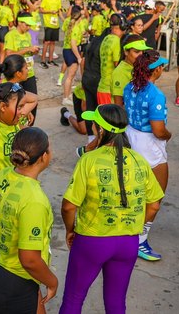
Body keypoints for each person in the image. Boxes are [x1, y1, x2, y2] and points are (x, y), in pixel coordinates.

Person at [60, 104, 162, 313]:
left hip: (92, 240)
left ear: (102, 130)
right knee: (116, 303)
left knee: (73, 299)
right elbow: (154, 204)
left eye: (95, 124)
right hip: (128, 242)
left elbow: (69, 206)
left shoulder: (89, 160)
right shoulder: (140, 161)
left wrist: (70, 229)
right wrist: (136, 226)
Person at [0, 127, 56, 314]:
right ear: (44, 156)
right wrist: (52, 282)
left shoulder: (2, 175)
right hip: (13, 284)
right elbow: (29, 260)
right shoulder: (34, 200)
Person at [122, 50, 171, 262]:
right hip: (149, 145)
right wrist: (169, 135)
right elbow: (159, 130)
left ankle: (127, 231)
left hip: (130, 138)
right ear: (156, 70)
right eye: (161, 66)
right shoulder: (155, 95)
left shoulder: (129, 87)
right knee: (155, 197)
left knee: (133, 190)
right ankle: (140, 240)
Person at [4, 13, 40, 122]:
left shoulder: (28, 35)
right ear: (20, 22)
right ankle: (16, 124)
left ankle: (28, 127)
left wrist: (34, 51)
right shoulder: (11, 35)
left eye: (30, 25)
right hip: (16, 75)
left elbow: (28, 53)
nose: (29, 27)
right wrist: (27, 49)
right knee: (16, 101)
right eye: (27, 25)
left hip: (29, 73)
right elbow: (9, 55)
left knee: (33, 100)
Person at [111, 34, 150, 105]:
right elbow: (118, 105)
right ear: (126, 52)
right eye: (137, 52)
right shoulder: (120, 73)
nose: (141, 55)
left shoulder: (137, 67)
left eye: (142, 52)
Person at [59, 6, 86, 107]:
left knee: (72, 75)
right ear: (79, 18)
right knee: (70, 76)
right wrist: (78, 57)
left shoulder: (73, 25)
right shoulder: (75, 28)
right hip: (71, 51)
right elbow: (73, 44)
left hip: (69, 50)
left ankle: (68, 94)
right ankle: (65, 98)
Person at [96, 14, 125, 105]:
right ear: (122, 26)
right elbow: (117, 65)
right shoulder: (116, 40)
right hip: (109, 89)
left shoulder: (106, 38)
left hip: (102, 87)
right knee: (110, 118)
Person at [40, 0, 62, 68]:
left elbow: (59, 11)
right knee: (47, 42)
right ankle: (43, 60)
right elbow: (41, 10)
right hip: (48, 24)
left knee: (53, 42)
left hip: (55, 24)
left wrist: (63, 20)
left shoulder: (59, 0)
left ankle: (50, 60)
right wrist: (50, 11)